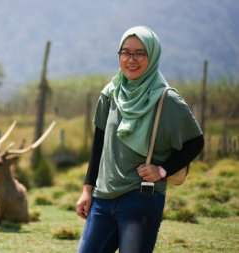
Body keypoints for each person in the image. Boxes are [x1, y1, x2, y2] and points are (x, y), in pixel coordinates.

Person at [76, 26, 204, 253]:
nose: (130, 60)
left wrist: (163, 170)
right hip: (102, 199)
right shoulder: (110, 94)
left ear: (153, 56)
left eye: (139, 53)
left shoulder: (166, 99)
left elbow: (196, 142)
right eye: (125, 52)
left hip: (141, 199)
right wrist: (87, 190)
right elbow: (99, 145)